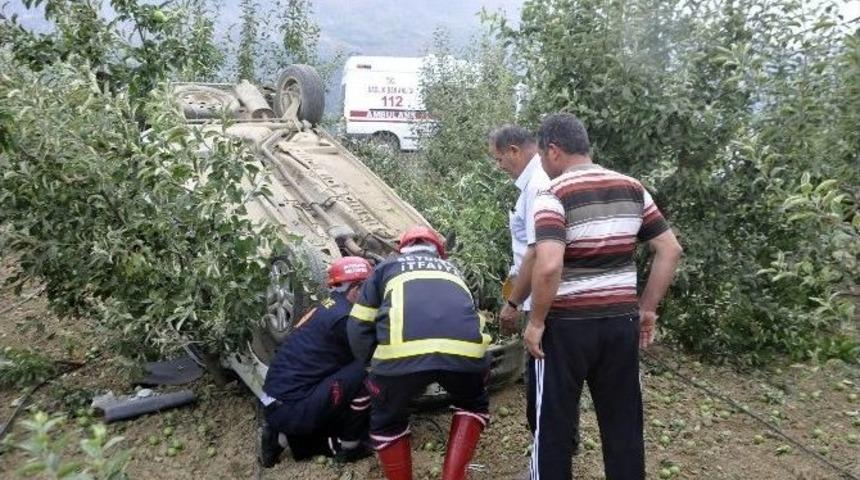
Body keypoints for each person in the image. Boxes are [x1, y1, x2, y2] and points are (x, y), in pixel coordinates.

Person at [526, 113, 682, 480]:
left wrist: (535, 323)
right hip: (619, 325)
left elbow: (548, 266)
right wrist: (646, 310)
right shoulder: (632, 188)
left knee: (554, 428)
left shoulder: (554, 193)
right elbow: (669, 250)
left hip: (565, 330)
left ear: (553, 151)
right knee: (623, 424)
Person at [347, 225, 491, 480]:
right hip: (465, 357)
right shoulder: (454, 271)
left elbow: (358, 325)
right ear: (439, 252)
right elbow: (471, 318)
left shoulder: (385, 269)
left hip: (399, 360)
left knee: (387, 421)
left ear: (402, 249)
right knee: (473, 403)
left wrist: (373, 365)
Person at [259, 256, 375, 467]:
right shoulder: (347, 320)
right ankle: (350, 445)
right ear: (357, 289)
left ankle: (280, 438)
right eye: (370, 289)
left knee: (351, 373)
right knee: (369, 369)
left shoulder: (329, 306)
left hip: (277, 401)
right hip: (293, 408)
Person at [488, 125, 549, 336]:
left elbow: (538, 251)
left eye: (499, 159)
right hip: (538, 298)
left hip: (541, 303)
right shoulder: (537, 181)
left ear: (514, 151)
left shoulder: (536, 186)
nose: (499, 167)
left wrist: (513, 303)